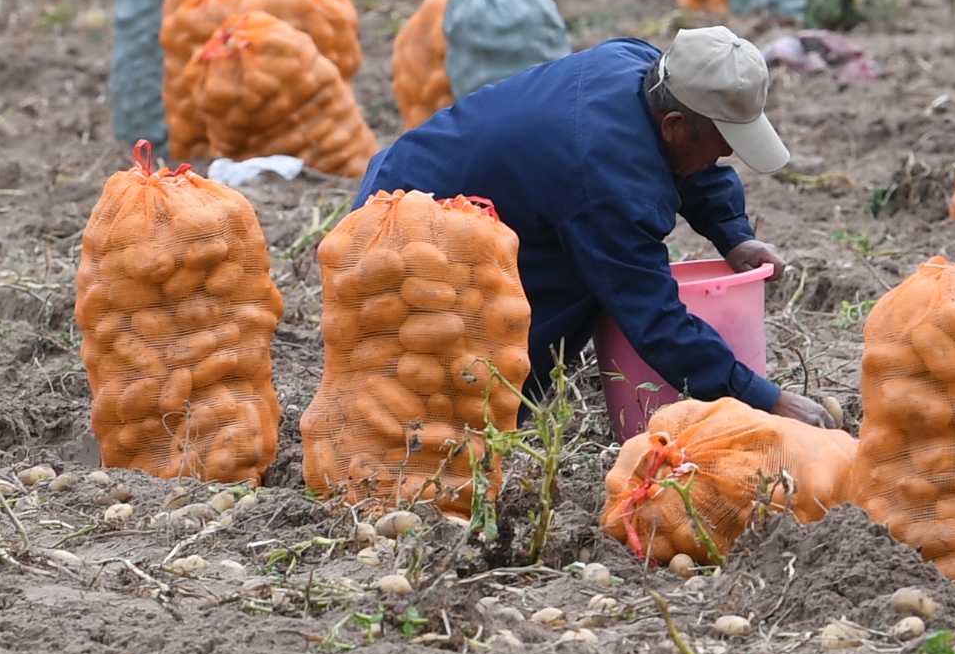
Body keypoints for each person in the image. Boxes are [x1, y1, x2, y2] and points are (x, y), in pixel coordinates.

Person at [356, 26, 834, 428]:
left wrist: (734, 234)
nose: (727, 155)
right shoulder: (608, 187)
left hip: (433, 178)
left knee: (583, 267)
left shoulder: (643, 67)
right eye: (723, 141)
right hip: (402, 224)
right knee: (573, 289)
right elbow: (654, 317)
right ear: (672, 124)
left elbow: (694, 165)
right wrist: (766, 399)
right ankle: (477, 422)